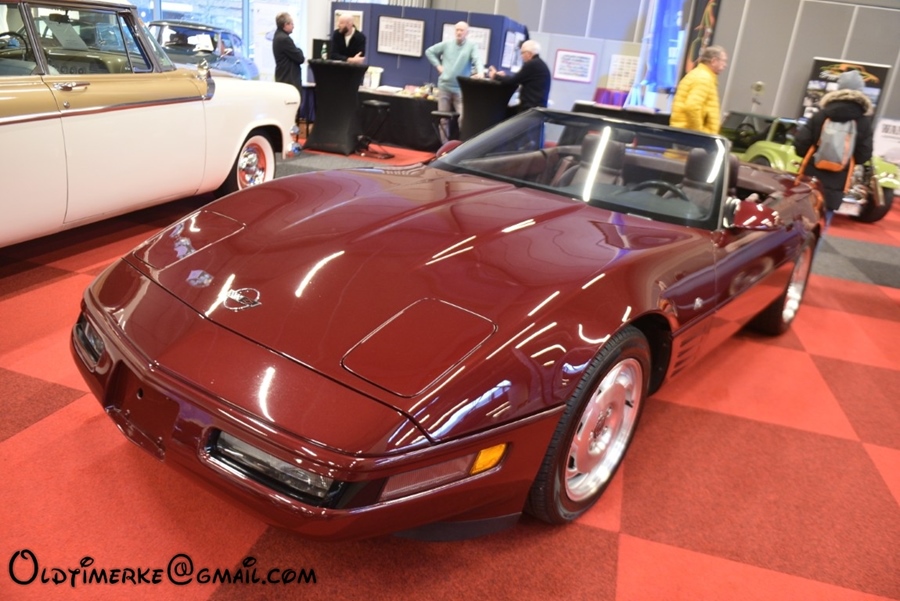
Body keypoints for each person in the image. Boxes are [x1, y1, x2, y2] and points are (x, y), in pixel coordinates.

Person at [794, 69, 873, 224]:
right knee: (822, 223)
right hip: (838, 180)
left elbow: (800, 145)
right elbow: (864, 155)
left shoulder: (821, 115)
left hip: (811, 176)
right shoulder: (863, 122)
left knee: (800, 221)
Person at [425, 21, 484, 142]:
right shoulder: (447, 44)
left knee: (463, 119)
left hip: (460, 89)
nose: (459, 32)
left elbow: (477, 59)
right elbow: (429, 51)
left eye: (461, 30)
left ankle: (464, 145)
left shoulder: (471, 46)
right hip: (444, 86)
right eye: (457, 30)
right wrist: (438, 66)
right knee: (443, 119)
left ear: (467, 33)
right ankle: (444, 147)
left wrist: (480, 72)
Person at [669, 45, 728, 134]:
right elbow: (692, 107)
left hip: (682, 131)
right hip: (689, 135)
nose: (725, 65)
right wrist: (699, 133)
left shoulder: (696, 74)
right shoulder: (704, 78)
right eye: (723, 61)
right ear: (714, 61)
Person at [488, 39, 551, 114]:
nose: (521, 56)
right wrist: (503, 77)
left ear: (529, 54)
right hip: (536, 109)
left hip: (530, 110)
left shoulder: (532, 65)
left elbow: (513, 81)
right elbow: (518, 78)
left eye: (522, 53)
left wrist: (495, 76)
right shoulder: (539, 64)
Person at [272, 12, 305, 122]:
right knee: (291, 113)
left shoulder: (277, 36)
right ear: (285, 25)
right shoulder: (285, 39)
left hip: (283, 77)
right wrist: (299, 50)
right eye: (292, 24)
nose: (293, 26)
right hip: (289, 79)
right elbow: (300, 58)